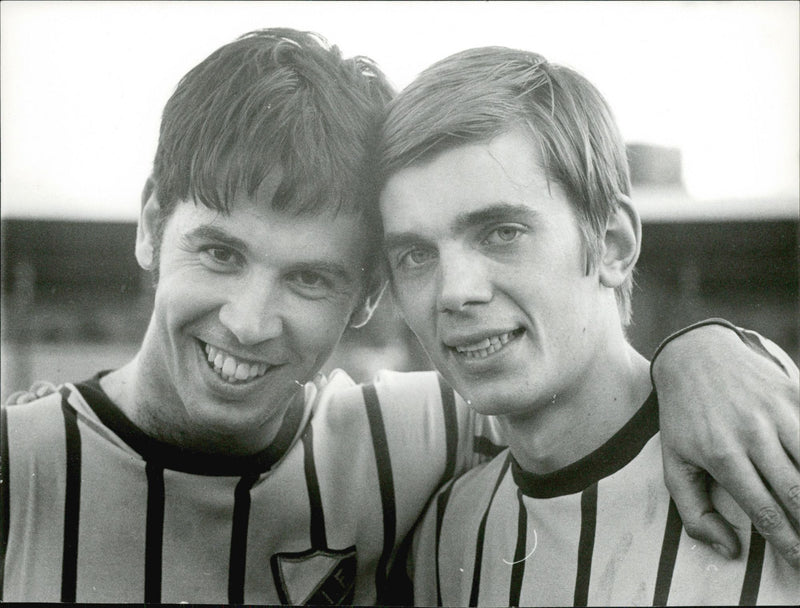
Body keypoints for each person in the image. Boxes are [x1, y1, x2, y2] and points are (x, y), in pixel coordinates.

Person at [2, 29, 798, 604]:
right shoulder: (18, 470)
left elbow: (593, 408)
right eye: (218, 252)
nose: (247, 322)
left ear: (365, 297)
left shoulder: (405, 448)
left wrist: (706, 351)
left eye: (311, 278)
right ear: (149, 228)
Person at [376, 46, 799, 605]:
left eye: (502, 232)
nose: (455, 291)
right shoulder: (445, 537)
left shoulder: (769, 461)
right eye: (414, 254)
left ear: (612, 245)